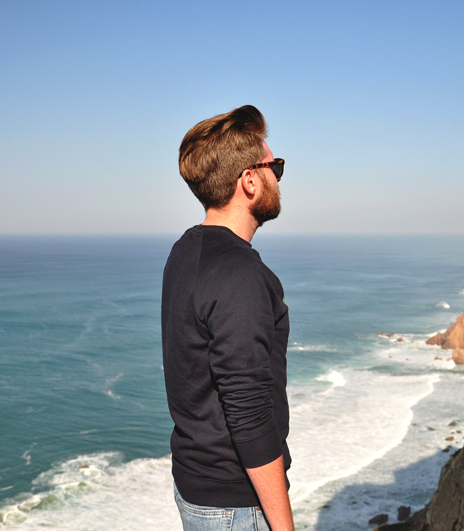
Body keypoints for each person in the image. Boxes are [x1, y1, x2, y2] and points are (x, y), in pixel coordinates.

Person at [161, 105, 293, 531]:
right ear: (250, 180)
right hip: (236, 506)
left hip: (197, 489)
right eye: (276, 166)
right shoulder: (242, 275)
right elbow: (249, 414)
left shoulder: (185, 252)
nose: (278, 176)